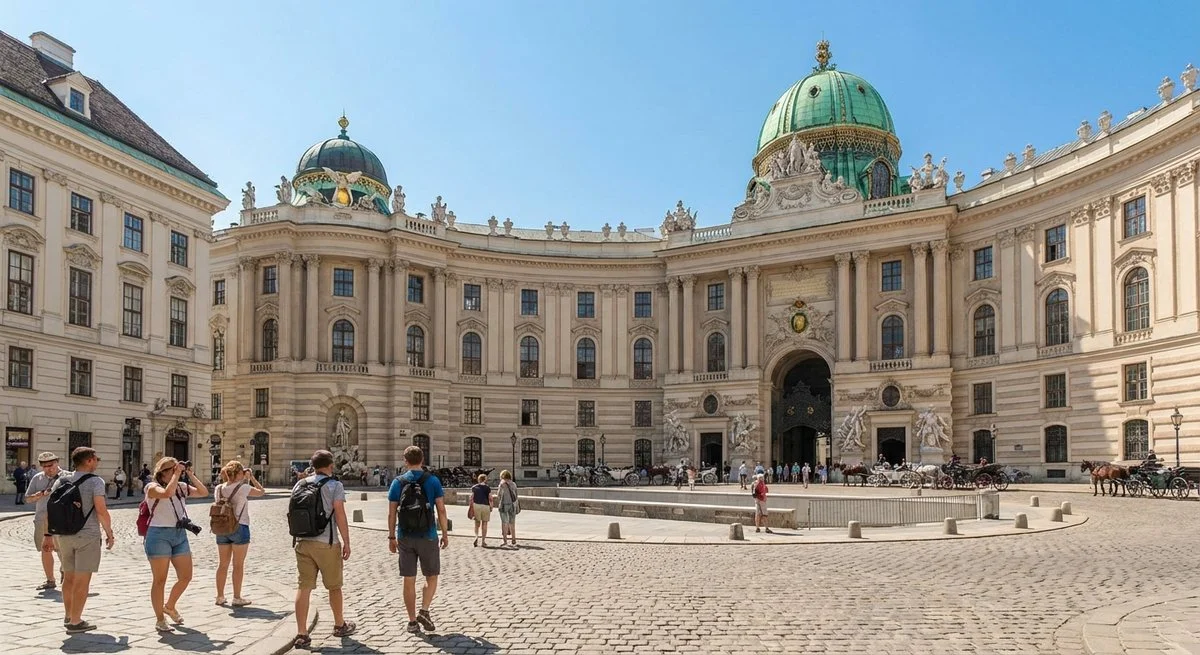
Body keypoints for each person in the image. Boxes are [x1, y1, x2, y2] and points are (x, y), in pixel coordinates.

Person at [291, 450, 355, 648]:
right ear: (330, 465)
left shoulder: (300, 484)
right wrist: (346, 541)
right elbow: (340, 515)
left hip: (302, 541)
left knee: (304, 587)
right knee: (334, 587)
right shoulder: (335, 485)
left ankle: (302, 633)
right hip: (326, 543)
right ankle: (339, 625)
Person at [48, 447, 114, 633]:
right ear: (89, 460)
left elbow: (51, 507)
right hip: (87, 535)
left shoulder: (61, 480)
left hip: (63, 535)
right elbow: (101, 510)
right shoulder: (95, 482)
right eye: (97, 458)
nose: (98, 461)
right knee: (82, 580)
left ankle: (69, 615)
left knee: (68, 578)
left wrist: (51, 534)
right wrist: (109, 532)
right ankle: (76, 621)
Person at [388, 445, 448, 635]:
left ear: (405, 461)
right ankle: (425, 609)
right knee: (431, 576)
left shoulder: (397, 482)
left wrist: (391, 535)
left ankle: (412, 621)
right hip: (428, 535)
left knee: (409, 580)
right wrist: (445, 533)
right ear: (423, 459)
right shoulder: (432, 481)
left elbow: (391, 512)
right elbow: (441, 509)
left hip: (404, 535)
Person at [144, 457, 209, 633]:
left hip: (179, 534)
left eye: (176, 469)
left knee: (186, 576)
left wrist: (190, 474)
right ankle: (160, 619)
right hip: (158, 535)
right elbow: (166, 493)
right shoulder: (151, 487)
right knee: (160, 580)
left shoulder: (180, 486)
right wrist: (177, 474)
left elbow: (204, 492)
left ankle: (170, 605)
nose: (175, 472)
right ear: (162, 473)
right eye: (172, 470)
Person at [213, 461, 266, 607]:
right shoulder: (243, 487)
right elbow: (261, 492)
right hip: (239, 527)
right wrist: (252, 478)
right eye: (242, 472)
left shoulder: (218, 488)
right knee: (238, 565)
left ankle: (220, 596)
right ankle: (236, 597)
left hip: (221, 528)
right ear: (238, 473)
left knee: (222, 565)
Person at [26, 452, 70, 590]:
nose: (47, 468)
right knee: (46, 549)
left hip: (62, 519)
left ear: (57, 462)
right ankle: (50, 580)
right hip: (41, 519)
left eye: (50, 465)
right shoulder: (37, 478)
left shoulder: (68, 477)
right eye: (44, 466)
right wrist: (36, 496)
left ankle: (66, 572)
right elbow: (27, 499)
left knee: (63, 549)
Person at [496, 470, 519, 548]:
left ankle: (505, 540)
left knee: (504, 523)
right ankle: (513, 539)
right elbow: (516, 495)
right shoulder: (513, 484)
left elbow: (499, 495)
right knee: (512, 523)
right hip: (513, 505)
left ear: (502, 476)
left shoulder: (502, 484)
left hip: (504, 505)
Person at [469, 473, 492, 547]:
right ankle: (483, 541)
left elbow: (471, 498)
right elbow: (490, 498)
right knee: (484, 523)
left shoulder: (474, 487)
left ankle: (476, 536)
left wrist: (471, 507)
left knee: (477, 523)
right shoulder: (487, 488)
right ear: (485, 480)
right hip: (485, 506)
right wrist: (491, 507)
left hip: (477, 505)